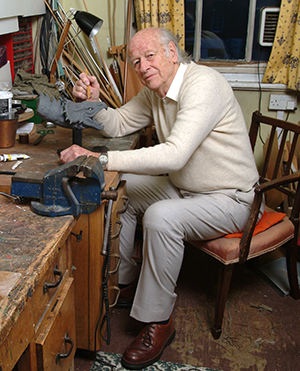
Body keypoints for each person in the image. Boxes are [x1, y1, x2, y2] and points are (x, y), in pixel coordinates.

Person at [60, 27, 262, 369]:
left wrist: (102, 158)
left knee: (161, 216)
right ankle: (122, 281)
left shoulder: (204, 84)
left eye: (149, 56)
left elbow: (174, 155)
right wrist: (92, 103)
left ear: (172, 52)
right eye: (137, 61)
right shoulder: (157, 90)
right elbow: (119, 122)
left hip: (232, 200)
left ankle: (159, 320)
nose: (142, 66)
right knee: (120, 188)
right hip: (186, 188)